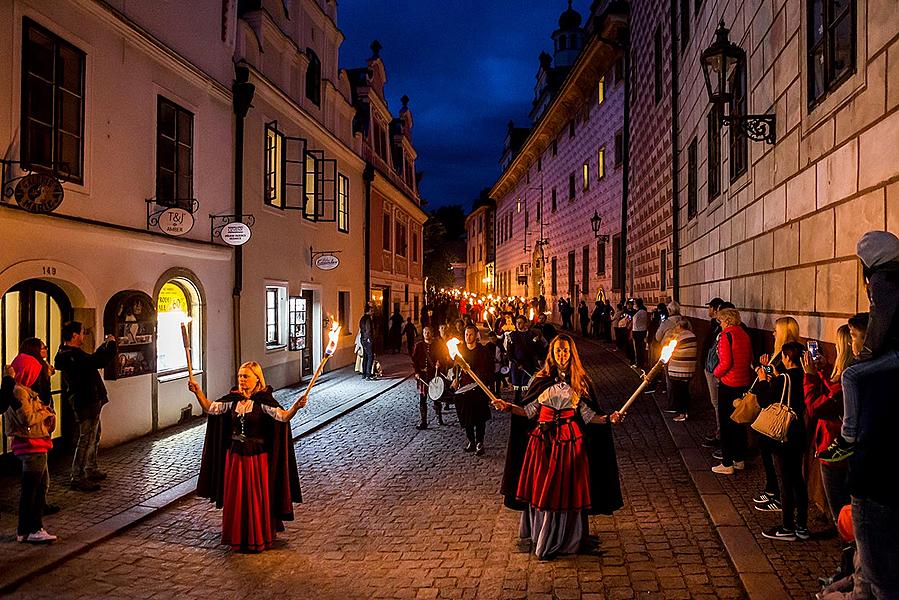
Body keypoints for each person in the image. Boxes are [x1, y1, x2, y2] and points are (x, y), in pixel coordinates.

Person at [493, 335, 623, 559]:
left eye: (565, 351)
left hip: (571, 444)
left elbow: (589, 415)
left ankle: (569, 539)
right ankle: (544, 537)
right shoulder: (540, 379)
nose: (562, 355)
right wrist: (507, 407)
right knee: (546, 490)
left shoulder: (580, 381)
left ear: (571, 353)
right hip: (542, 445)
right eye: (558, 350)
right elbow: (529, 411)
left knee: (568, 491)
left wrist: (610, 418)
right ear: (551, 353)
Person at [190, 362, 305, 552]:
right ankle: (238, 536)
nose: (241, 380)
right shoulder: (232, 400)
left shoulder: (264, 401)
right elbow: (211, 408)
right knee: (237, 498)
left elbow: (283, 417)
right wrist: (197, 392)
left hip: (256, 460)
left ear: (257, 379)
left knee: (255, 498)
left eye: (246, 376)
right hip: (235, 458)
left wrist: (296, 407)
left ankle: (256, 536)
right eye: (240, 376)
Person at [820, 231, 899, 462]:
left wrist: (865, 354)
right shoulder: (894, 275)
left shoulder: (882, 279)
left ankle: (847, 437)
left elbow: (879, 321)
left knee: (850, 374)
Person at [55, 321, 117, 492]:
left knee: (94, 435)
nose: (84, 336)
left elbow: (92, 361)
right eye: (82, 332)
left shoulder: (70, 354)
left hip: (89, 400)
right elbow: (97, 361)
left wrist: (104, 346)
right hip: (86, 401)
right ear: (74, 335)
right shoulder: (72, 355)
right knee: (86, 439)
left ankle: (90, 468)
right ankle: (78, 476)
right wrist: (110, 345)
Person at [756, 342, 809, 541]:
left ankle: (787, 527)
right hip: (799, 431)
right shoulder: (805, 376)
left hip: (784, 433)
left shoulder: (784, 378)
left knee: (786, 480)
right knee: (798, 479)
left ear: (786, 358)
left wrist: (762, 380)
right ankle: (802, 525)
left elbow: (764, 400)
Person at [804, 324, 854, 528]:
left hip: (834, 445)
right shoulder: (848, 375)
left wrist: (810, 376)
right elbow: (831, 391)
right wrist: (824, 369)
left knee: (841, 509)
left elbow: (817, 406)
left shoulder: (849, 378)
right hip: (836, 442)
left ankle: (849, 550)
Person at [5, 355, 57, 543]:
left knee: (34, 489)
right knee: (34, 490)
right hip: (32, 445)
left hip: (35, 444)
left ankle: (26, 530)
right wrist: (45, 412)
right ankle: (33, 528)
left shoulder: (22, 390)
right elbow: (27, 418)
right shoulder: (19, 392)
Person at [752, 316, 801, 511]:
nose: (772, 333)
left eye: (775, 330)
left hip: (779, 416)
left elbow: (772, 392)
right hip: (782, 415)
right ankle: (773, 489)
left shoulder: (787, 358)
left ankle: (779, 498)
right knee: (773, 458)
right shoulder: (783, 356)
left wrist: (764, 379)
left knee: (781, 464)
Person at [710, 308, 753, 475]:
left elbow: (726, 362)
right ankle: (739, 459)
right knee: (739, 423)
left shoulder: (726, 335)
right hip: (743, 383)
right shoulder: (744, 334)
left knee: (727, 424)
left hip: (729, 384)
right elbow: (749, 358)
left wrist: (716, 373)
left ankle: (727, 462)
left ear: (726, 321)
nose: (719, 324)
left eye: (720, 321)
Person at [450, 325, 493, 456]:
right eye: (466, 334)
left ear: (476, 336)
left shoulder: (482, 351)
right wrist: (455, 378)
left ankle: (480, 442)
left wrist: (484, 381)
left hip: (479, 388)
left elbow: (488, 368)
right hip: (464, 389)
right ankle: (471, 441)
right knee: (466, 417)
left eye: (471, 334)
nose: (468, 337)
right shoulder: (460, 351)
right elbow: (455, 368)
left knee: (479, 417)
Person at [700, 298, 725, 448]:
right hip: (712, 369)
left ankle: (721, 436)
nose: (708, 310)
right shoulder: (715, 326)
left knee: (719, 405)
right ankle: (719, 433)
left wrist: (716, 371)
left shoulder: (724, 331)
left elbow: (724, 356)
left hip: (718, 372)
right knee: (716, 404)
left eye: (710, 307)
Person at [411, 326, 447, 429]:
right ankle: (423, 422)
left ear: (431, 333)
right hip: (423, 376)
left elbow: (443, 357)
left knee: (436, 397)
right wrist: (417, 372)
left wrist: (439, 363)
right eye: (425, 332)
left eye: (428, 332)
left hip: (433, 376)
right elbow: (414, 361)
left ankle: (439, 417)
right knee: (422, 399)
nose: (427, 334)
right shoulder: (418, 346)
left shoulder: (437, 345)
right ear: (423, 334)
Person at [666, 318, 697, 422]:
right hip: (689, 368)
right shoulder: (692, 335)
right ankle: (686, 411)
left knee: (679, 392)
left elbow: (668, 349)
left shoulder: (678, 337)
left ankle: (682, 413)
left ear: (679, 326)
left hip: (677, 369)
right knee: (685, 391)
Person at [19, 337, 55, 406]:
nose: (47, 349)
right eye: (45, 347)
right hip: (36, 406)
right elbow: (42, 391)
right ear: (36, 350)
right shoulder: (37, 366)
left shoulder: (23, 362)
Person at [631, 299, 649, 369]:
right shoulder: (644, 311)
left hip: (637, 332)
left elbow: (634, 323)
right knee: (642, 348)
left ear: (637, 304)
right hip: (643, 331)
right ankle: (642, 362)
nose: (634, 305)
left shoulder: (638, 313)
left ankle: (638, 363)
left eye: (635, 304)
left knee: (637, 349)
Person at [359, 305, 374, 380]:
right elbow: (368, 329)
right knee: (370, 356)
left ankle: (364, 374)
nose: (372, 312)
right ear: (368, 311)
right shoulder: (368, 319)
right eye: (371, 310)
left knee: (365, 356)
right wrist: (369, 339)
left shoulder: (362, 318)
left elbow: (361, 328)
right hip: (367, 339)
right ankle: (368, 374)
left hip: (362, 339)